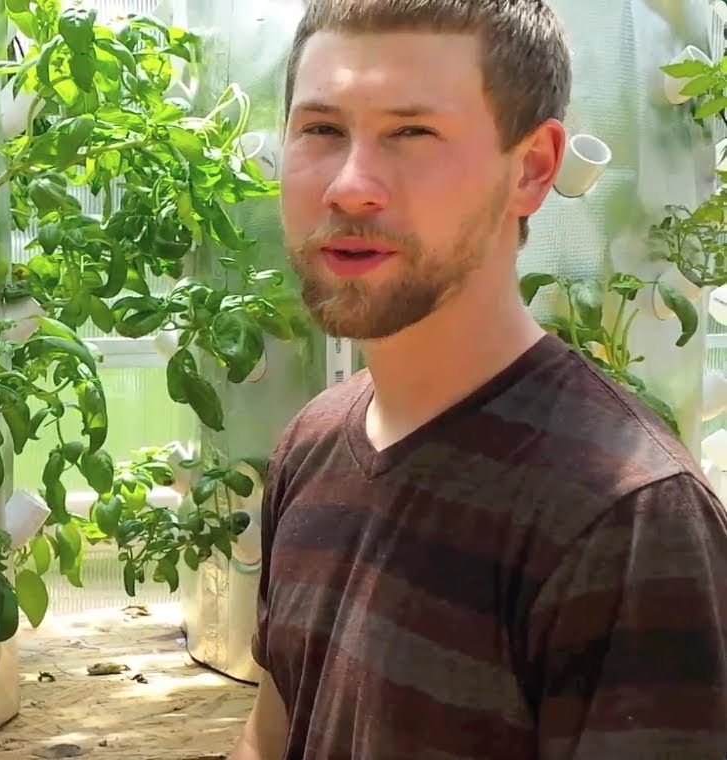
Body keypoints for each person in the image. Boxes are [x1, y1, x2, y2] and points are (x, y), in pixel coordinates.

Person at [229, 1, 727, 758]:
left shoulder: (627, 522)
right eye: (322, 130)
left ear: (530, 169)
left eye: (412, 133)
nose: (350, 187)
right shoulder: (314, 443)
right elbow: (269, 740)